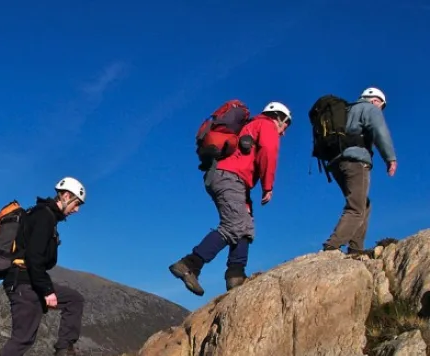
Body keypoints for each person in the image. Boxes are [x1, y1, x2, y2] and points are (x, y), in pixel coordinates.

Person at [0, 177, 97, 356]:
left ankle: (64, 353)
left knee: (73, 300)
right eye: (76, 203)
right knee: (22, 337)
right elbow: (33, 258)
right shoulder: (44, 216)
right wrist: (47, 290)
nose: (77, 210)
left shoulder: (43, 216)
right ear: (65, 196)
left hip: (26, 281)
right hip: (24, 283)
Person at [169, 101, 293, 296]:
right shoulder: (266, 124)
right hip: (229, 177)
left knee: (246, 226)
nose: (284, 131)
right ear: (278, 117)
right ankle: (190, 264)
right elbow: (269, 152)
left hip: (231, 179)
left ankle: (236, 275)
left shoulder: (250, 126)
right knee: (234, 225)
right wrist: (268, 186)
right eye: (286, 124)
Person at [322, 87, 397, 255]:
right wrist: (390, 158)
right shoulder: (370, 108)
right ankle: (332, 246)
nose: (380, 110)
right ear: (376, 100)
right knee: (356, 208)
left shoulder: (346, 110)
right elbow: (380, 132)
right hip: (356, 162)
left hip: (336, 163)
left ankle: (355, 249)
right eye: (381, 106)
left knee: (364, 204)